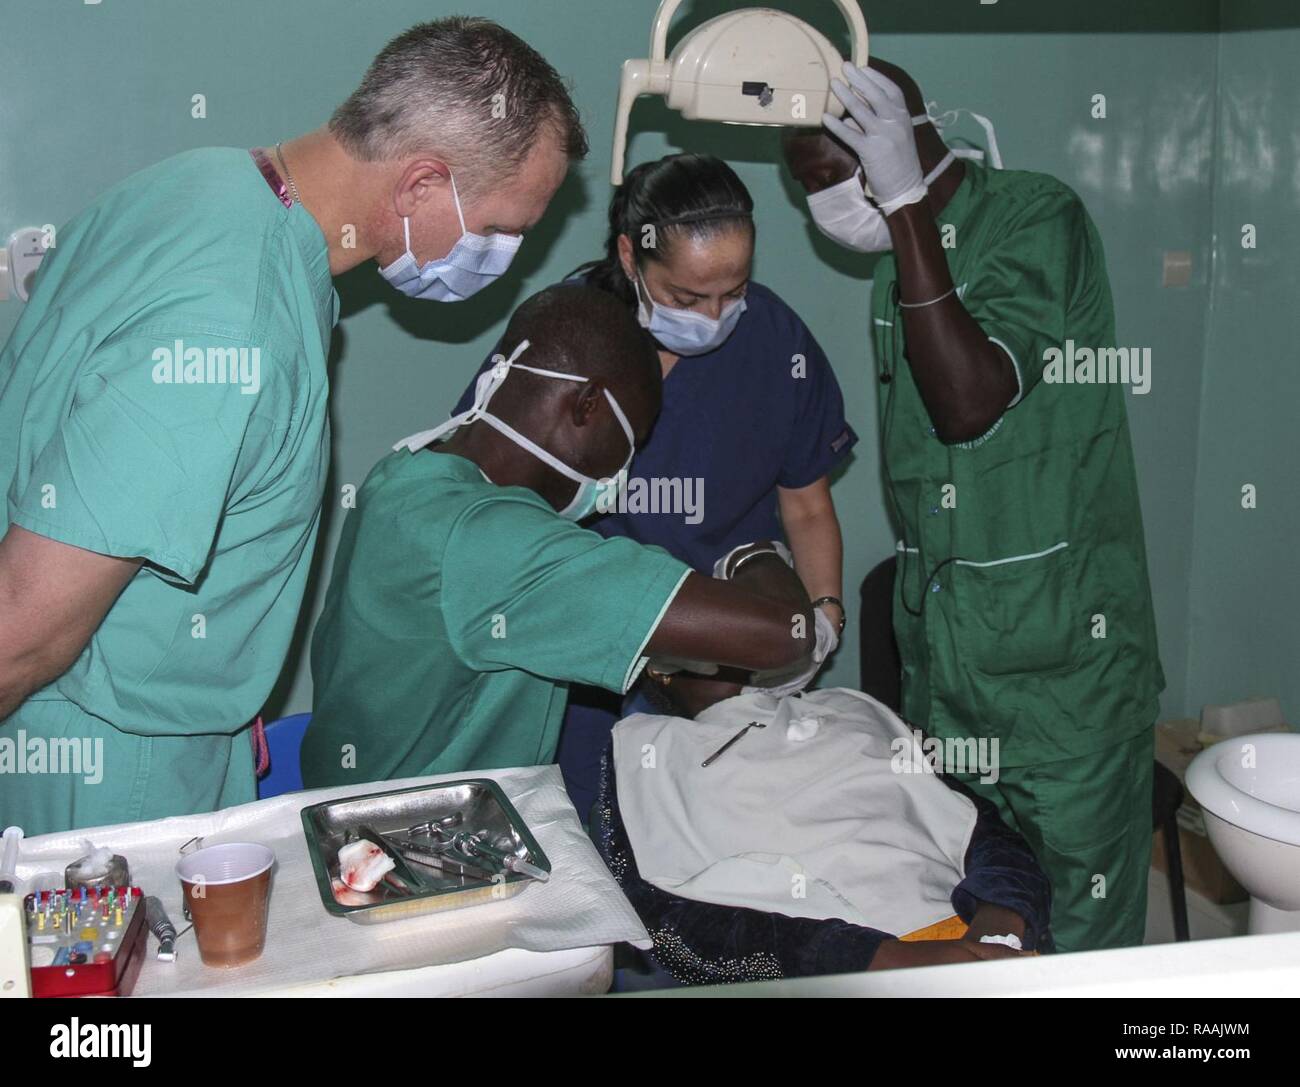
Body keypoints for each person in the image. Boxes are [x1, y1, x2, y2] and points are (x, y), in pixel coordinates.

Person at [0, 18, 586, 836]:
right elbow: (22, 628)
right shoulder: (232, 325)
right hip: (110, 781)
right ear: (421, 184)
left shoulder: (203, 183)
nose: (506, 258)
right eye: (501, 229)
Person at [782, 57, 1164, 953]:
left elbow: (968, 400)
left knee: (1080, 948)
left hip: (1067, 679)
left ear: (904, 142)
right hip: (953, 683)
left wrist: (908, 204)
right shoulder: (897, 274)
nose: (828, 205)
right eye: (808, 189)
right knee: (990, 939)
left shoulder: (1037, 216)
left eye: (838, 177)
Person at [452, 153, 857, 821]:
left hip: (729, 641)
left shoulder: (776, 342)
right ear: (631, 256)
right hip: (586, 654)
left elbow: (808, 505)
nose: (716, 314)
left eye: (734, 291)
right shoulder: (570, 342)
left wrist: (824, 616)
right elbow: (492, 495)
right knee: (592, 830)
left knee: (727, 828)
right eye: (689, 297)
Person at [301, 285, 815, 787]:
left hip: (350, 812)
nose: (623, 475)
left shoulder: (405, 476)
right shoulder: (497, 543)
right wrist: (755, 552)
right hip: (416, 847)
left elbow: (695, 684)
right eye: (630, 443)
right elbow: (784, 633)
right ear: (587, 405)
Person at [592, 661, 1053, 986]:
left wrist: (1002, 918)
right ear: (660, 669)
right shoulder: (646, 751)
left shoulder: (849, 707)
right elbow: (668, 922)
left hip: (974, 934)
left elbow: (984, 830)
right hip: (837, 965)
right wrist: (872, 959)